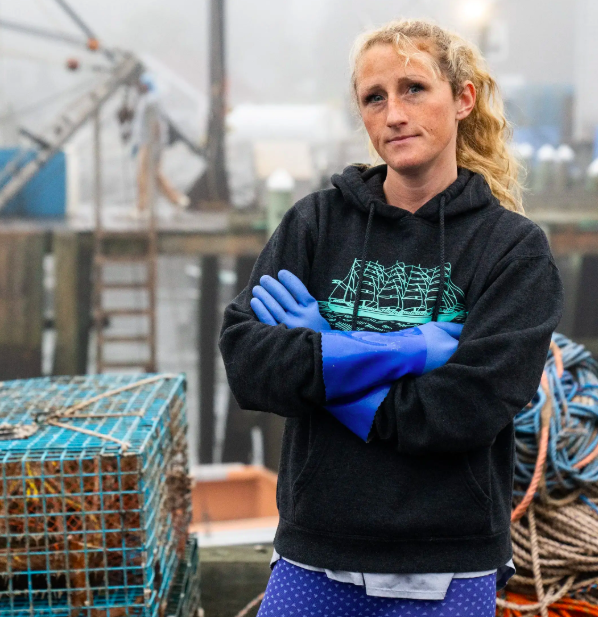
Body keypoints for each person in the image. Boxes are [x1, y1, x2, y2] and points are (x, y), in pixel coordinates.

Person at [219, 19, 564, 616]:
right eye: (374, 98)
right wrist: (407, 352)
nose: (394, 114)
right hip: (313, 553)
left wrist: (322, 352)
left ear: (462, 98)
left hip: (449, 564)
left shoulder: (512, 250)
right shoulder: (315, 224)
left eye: (413, 89)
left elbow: (466, 409)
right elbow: (250, 365)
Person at [131, 73, 190, 215]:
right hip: (147, 142)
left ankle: (141, 207)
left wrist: (153, 145)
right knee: (155, 175)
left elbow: (156, 124)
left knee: (143, 175)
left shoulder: (152, 101)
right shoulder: (147, 100)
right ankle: (177, 200)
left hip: (151, 143)